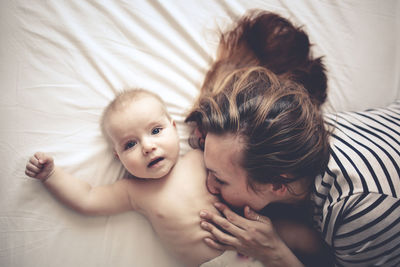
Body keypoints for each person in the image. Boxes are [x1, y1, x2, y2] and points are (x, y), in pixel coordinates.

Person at [185, 10, 400, 267]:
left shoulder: (359, 211)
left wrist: (274, 253)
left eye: (219, 178)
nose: (208, 185)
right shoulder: (300, 123)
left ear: (277, 185)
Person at [25, 89, 224, 267]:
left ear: (173, 127)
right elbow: (87, 198)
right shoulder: (134, 191)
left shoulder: (202, 157)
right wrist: (51, 175)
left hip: (246, 251)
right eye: (130, 145)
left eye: (155, 131)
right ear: (118, 156)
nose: (147, 147)